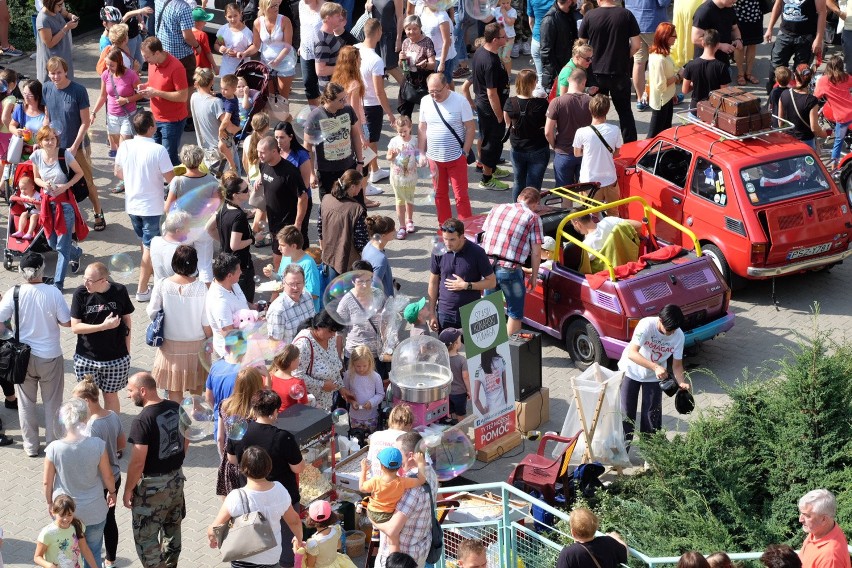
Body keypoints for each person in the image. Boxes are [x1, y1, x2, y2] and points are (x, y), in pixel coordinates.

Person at [226, 389, 306, 568]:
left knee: (256, 543)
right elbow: (298, 467)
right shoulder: (283, 437)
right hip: (281, 496)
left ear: (254, 409)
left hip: (250, 496)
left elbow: (232, 459)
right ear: (275, 411)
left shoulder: (239, 430)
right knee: (286, 544)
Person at [0, 253, 70, 457]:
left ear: (21, 272)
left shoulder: (14, 292)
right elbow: (66, 322)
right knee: (53, 402)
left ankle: (30, 445)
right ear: (42, 270)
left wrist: (9, 335)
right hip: (50, 356)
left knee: (26, 402)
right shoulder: (53, 292)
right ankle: (52, 445)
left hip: (22, 357)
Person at [124, 372, 189, 568]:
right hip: (176, 480)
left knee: (146, 538)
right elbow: (187, 436)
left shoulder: (142, 420)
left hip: (152, 488)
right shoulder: (176, 407)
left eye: (130, 390)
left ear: (142, 391)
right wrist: (177, 459)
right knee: (172, 529)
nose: (128, 395)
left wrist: (128, 490)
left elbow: (137, 463)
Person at [43, 398, 117, 567]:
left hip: (65, 512)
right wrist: (112, 492)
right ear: (85, 420)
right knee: (93, 551)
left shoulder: (54, 448)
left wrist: (49, 502)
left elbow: (47, 483)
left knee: (67, 552)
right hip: (94, 510)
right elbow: (108, 477)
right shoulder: (97, 444)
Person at [114, 110, 176, 302]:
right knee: (150, 247)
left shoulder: (125, 146)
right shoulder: (158, 150)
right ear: (151, 128)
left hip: (132, 205)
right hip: (152, 207)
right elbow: (171, 179)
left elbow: (117, 172)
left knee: (144, 243)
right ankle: (142, 291)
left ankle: (149, 275)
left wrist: (134, 181)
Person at [208, 447, 304, 568]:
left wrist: (212, 538)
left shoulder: (235, 496)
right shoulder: (279, 490)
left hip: (241, 558)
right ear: (269, 467)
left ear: (243, 469)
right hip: (271, 558)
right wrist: (299, 540)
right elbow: (294, 521)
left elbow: (214, 529)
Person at [43, 56, 105, 232]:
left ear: (66, 71)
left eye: (59, 73)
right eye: (52, 73)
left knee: (86, 180)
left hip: (77, 146)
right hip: (56, 147)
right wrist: (43, 138)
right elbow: (48, 116)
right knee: (60, 181)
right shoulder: (46, 88)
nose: (55, 77)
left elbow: (85, 122)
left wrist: (75, 146)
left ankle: (98, 213)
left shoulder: (78, 90)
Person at [71, 377, 126, 568]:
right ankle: (110, 560)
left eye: (77, 403)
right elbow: (122, 444)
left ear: (87, 401)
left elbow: (90, 458)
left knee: (98, 524)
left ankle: (93, 558)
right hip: (116, 475)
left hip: (102, 481)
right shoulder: (112, 415)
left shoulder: (92, 427)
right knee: (111, 520)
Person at [617, 304, 690, 445]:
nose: (671, 333)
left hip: (654, 377)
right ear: (660, 320)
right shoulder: (646, 324)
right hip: (631, 371)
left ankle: (650, 455)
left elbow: (677, 365)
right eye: (668, 330)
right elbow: (632, 353)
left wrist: (681, 382)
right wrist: (655, 366)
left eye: (674, 330)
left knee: (652, 415)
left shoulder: (679, 335)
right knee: (626, 414)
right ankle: (621, 453)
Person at [149, 245, 213, 402]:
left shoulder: (162, 284)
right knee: (197, 381)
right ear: (194, 263)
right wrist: (211, 339)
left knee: (174, 387)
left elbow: (152, 311)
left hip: (170, 343)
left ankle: (176, 420)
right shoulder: (201, 287)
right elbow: (206, 320)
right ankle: (196, 409)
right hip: (196, 343)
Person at [70, 262, 135, 415]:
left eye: (90, 280)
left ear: (104, 280)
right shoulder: (80, 293)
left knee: (111, 395)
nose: (85, 283)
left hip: (116, 358)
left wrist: (127, 350)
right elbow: (75, 327)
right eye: (84, 278)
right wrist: (103, 326)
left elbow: (127, 320)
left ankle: (112, 431)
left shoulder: (119, 290)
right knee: (88, 398)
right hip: (87, 358)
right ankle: (92, 432)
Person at [29, 125, 87, 291]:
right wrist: (44, 184)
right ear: (40, 141)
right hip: (47, 204)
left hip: (65, 205)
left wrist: (65, 186)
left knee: (61, 246)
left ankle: (58, 284)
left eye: (53, 139)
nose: (50, 142)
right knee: (52, 243)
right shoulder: (36, 156)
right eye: (46, 139)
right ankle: (76, 253)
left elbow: (80, 173)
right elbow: (36, 178)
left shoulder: (64, 154)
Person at [481, 187, 544, 334]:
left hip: (488, 266)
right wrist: (534, 276)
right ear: (535, 204)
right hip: (509, 269)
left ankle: (488, 350)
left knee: (489, 310)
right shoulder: (533, 217)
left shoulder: (497, 208)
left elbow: (484, 235)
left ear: (519, 198)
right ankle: (510, 352)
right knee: (514, 313)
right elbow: (536, 253)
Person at [579, 0, 641, 143]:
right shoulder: (626, 14)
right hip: (620, 72)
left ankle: (597, 143)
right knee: (625, 113)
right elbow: (636, 45)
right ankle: (631, 146)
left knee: (596, 112)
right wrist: (625, 57)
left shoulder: (590, 15)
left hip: (596, 73)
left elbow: (581, 45)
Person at [373, 431, 437, 567]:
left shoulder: (411, 488)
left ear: (409, 456)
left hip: (399, 559)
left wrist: (371, 516)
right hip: (419, 551)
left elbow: (392, 530)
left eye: (398, 453)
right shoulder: (430, 472)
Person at [418, 73, 475, 223]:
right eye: (431, 92)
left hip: (456, 157)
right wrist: (421, 153)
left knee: (461, 196)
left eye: (438, 91)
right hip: (434, 158)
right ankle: (444, 227)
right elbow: (422, 127)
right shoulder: (425, 101)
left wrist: (466, 151)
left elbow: (470, 128)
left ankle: (466, 228)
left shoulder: (460, 101)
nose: (434, 95)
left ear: (447, 86)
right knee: (439, 194)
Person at [462, 22, 511, 191]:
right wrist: (499, 115)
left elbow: (470, 83)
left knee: (488, 139)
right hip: (491, 109)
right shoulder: (489, 61)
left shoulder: (481, 52)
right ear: (496, 39)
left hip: (484, 105)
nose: (506, 38)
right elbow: (492, 93)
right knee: (492, 143)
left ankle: (492, 168)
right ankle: (487, 178)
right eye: (503, 36)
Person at [428, 217, 497, 331]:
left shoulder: (477, 253)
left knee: (475, 349)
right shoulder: (439, 250)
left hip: (471, 313)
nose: (447, 244)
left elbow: (492, 282)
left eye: (452, 240)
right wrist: (431, 313)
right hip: (445, 312)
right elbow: (433, 282)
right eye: (445, 239)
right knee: (447, 348)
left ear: (462, 236)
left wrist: (466, 285)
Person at [163, 145, 217, 283]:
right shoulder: (211, 180)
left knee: (185, 263)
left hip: (183, 228)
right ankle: (206, 295)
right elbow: (216, 205)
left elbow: (168, 207)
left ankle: (186, 290)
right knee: (205, 265)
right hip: (204, 227)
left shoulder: (178, 181)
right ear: (200, 160)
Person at [304, 82, 364, 201]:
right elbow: (307, 148)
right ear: (328, 100)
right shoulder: (315, 116)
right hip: (327, 171)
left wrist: (360, 162)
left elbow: (355, 135)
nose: (345, 102)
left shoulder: (348, 110)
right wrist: (311, 174)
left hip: (349, 167)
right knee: (331, 206)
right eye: (341, 100)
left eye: (345, 98)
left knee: (356, 205)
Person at [360, 447, 427, 553]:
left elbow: (362, 488)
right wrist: (420, 463)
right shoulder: (402, 482)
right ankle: (394, 557)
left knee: (385, 533)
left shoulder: (376, 481)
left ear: (381, 466)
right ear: (400, 466)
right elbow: (421, 480)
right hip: (388, 515)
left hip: (373, 512)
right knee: (393, 541)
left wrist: (363, 471)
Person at [258, 135, 311, 270]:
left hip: (287, 226)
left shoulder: (290, 172)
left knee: (285, 261)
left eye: (262, 152)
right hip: (273, 223)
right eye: (258, 152)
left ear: (274, 151)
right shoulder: (263, 164)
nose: (259, 155)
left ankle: (285, 288)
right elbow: (266, 177)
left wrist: (298, 224)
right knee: (279, 261)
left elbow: (303, 197)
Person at [138, 37, 190, 166]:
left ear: (157, 53)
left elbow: (183, 96)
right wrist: (144, 86)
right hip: (155, 118)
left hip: (172, 121)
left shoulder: (176, 67)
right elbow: (155, 83)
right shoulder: (153, 63)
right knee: (156, 155)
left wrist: (156, 93)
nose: (145, 60)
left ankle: (174, 184)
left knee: (168, 157)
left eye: (147, 56)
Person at [357, 19, 397, 187]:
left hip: (358, 103)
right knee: (370, 142)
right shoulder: (376, 60)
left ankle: (375, 170)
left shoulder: (355, 49)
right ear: (379, 32)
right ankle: (367, 181)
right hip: (371, 105)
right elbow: (379, 91)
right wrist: (389, 113)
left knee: (366, 140)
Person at [91, 47, 140, 174]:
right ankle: (124, 174)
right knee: (118, 149)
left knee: (124, 148)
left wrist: (127, 100)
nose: (108, 68)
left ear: (119, 62)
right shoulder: (106, 75)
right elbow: (103, 96)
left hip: (127, 116)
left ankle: (127, 176)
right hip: (111, 117)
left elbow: (141, 94)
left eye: (111, 65)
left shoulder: (131, 75)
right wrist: (93, 112)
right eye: (107, 64)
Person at [215, 367, 263, 495]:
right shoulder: (258, 412)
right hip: (254, 460)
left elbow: (220, 437)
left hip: (231, 458)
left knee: (232, 504)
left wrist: (223, 456)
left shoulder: (225, 405)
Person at [573, 94, 623, 216]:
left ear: (590, 110)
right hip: (610, 179)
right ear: (607, 110)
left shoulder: (581, 132)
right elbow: (616, 153)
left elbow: (576, 153)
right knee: (613, 213)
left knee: (591, 216)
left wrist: (590, 150)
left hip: (589, 182)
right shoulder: (615, 129)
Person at [154, 0, 200, 130]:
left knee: (169, 85)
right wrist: (197, 46)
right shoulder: (183, 8)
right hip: (182, 55)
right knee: (188, 87)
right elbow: (188, 37)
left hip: (164, 51)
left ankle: (168, 114)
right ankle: (187, 119)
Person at [210, 172, 257, 301]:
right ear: (236, 195)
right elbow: (235, 245)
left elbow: (208, 228)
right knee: (244, 303)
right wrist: (253, 239)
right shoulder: (238, 216)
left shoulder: (223, 208)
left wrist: (223, 239)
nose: (249, 191)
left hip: (225, 262)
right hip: (240, 267)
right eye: (245, 190)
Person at [504, 69, 550, 199]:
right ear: (533, 83)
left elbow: (508, 124)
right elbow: (548, 125)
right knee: (534, 186)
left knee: (518, 181)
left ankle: (517, 210)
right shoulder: (541, 104)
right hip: (538, 148)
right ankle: (532, 212)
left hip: (517, 148)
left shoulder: (510, 102)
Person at [318, 170, 369, 280]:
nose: (361, 188)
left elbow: (320, 226)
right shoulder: (356, 209)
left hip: (328, 256)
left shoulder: (326, 199)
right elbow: (361, 240)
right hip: (346, 261)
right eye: (360, 185)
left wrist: (322, 246)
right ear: (352, 187)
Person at [546, 67, 593, 187]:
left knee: (565, 193)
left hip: (563, 153)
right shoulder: (592, 101)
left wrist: (554, 145)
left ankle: (566, 207)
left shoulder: (557, 102)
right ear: (584, 82)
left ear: (568, 80)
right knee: (586, 192)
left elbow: (548, 131)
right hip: (585, 154)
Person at [293, 310, 347, 411]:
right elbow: (296, 375)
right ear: (318, 326)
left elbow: (334, 366)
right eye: (330, 331)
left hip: (326, 403)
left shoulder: (329, 339)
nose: (333, 335)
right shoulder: (303, 343)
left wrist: (341, 387)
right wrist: (322, 385)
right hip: (308, 406)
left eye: (335, 332)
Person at [763, 0, 826, 85]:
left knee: (801, 72)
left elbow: (822, 12)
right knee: (776, 67)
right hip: (785, 34)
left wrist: (818, 39)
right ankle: (774, 94)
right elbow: (777, 6)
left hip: (806, 36)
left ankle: (797, 96)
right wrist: (769, 28)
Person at [275, 120, 316, 246]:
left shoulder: (301, 155)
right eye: (276, 137)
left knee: (299, 234)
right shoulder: (276, 152)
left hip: (299, 201)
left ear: (291, 137)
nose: (278, 141)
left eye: (282, 137)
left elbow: (305, 185)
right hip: (283, 202)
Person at [627, 0, 672, 110]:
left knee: (638, 63)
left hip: (634, 21)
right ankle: (663, 97)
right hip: (653, 22)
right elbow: (663, 2)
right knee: (661, 59)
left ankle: (640, 99)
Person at [34, 495, 99, 568]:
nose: (66, 519)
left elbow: (85, 549)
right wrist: (50, 565)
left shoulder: (77, 525)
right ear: (53, 512)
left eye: (69, 515)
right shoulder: (47, 533)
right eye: (62, 515)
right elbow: (37, 557)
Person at [206, 252, 251, 357]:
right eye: (238, 270)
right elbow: (229, 335)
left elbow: (239, 301)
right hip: (232, 355)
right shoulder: (220, 302)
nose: (241, 272)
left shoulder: (232, 283)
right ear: (229, 275)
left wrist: (254, 307)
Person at [266, 224, 322, 309]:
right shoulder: (286, 257)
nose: (279, 248)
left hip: (305, 311)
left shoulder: (308, 264)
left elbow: (313, 294)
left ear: (293, 246)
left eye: (282, 245)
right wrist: (271, 274)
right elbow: (280, 280)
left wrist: (286, 290)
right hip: (288, 307)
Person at [247, 0, 295, 97]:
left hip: (285, 62)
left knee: (283, 98)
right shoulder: (257, 22)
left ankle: (283, 112)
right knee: (270, 97)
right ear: (264, 8)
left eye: (276, 5)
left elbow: (288, 46)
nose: (276, 8)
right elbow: (256, 46)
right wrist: (244, 53)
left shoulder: (285, 21)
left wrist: (277, 60)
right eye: (272, 6)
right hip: (267, 64)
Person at [814, 55, 852, 170]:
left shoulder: (824, 81)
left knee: (838, 142)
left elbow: (815, 97)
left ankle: (834, 166)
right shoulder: (846, 77)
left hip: (842, 117)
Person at [556, 507, 627, 568]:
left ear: (573, 532)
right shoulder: (608, 542)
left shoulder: (568, 554)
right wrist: (615, 537)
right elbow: (625, 553)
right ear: (596, 528)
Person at [778, 64, 827, 150]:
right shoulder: (811, 100)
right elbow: (814, 128)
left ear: (795, 77)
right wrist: (824, 133)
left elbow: (780, 122)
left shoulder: (784, 94)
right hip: (806, 141)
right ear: (810, 78)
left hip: (789, 140)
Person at [294, 500, 357, 568]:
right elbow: (338, 546)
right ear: (331, 516)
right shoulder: (336, 529)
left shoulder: (313, 543)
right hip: (336, 564)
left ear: (310, 520)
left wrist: (298, 548)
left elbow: (310, 565)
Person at [798, 489, 851, 568]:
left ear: (824, 519)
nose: (800, 520)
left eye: (807, 516)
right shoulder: (819, 531)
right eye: (801, 513)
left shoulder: (830, 559)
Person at [386, 115, 419, 237]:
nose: (402, 134)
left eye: (405, 131)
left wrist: (421, 161)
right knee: (399, 200)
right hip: (397, 177)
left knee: (409, 198)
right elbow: (388, 157)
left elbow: (417, 156)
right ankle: (401, 226)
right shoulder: (394, 141)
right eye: (400, 132)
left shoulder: (415, 141)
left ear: (410, 128)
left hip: (410, 177)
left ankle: (409, 220)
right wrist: (393, 156)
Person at [647, 22, 681, 138]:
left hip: (667, 99)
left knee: (665, 132)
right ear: (666, 37)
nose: (676, 38)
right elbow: (661, 85)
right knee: (653, 136)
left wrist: (673, 93)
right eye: (674, 36)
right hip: (661, 102)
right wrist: (678, 77)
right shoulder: (659, 59)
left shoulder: (663, 54)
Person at [398, 15, 436, 118]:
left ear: (420, 28)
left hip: (423, 80)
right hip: (409, 79)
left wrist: (425, 65)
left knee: (428, 113)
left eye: (415, 29)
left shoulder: (427, 42)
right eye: (408, 29)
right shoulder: (406, 42)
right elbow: (402, 66)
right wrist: (401, 59)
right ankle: (406, 133)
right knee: (404, 113)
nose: (411, 32)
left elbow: (433, 65)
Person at [267, 264, 317, 343]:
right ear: (283, 283)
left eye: (298, 283)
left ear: (304, 283)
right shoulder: (278, 310)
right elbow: (275, 344)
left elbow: (313, 324)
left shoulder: (307, 296)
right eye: (291, 284)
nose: (295, 287)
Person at [681, 29, 730, 106]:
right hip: (713, 108)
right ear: (717, 45)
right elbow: (724, 93)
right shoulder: (722, 67)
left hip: (695, 107)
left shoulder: (690, 65)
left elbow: (684, 90)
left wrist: (695, 84)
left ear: (703, 43)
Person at [539, 0, 580, 93]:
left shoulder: (570, 14)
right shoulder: (550, 19)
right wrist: (560, 73)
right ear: (569, 1)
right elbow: (546, 52)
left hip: (569, 71)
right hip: (556, 77)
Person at [190, 67, 226, 171]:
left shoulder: (194, 97)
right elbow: (226, 125)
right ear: (212, 82)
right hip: (219, 150)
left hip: (204, 149)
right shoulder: (216, 102)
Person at [366, 0, 406, 87]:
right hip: (374, 35)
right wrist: (368, 6)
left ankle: (409, 91)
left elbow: (400, 17)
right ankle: (379, 95)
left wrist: (398, 39)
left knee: (390, 67)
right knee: (376, 68)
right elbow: (367, 4)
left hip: (389, 35)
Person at [344, 345, 385, 431]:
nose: (361, 369)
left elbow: (380, 394)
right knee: (355, 439)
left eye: (364, 366)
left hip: (371, 416)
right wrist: (352, 401)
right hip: (355, 416)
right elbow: (344, 392)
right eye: (358, 366)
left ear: (370, 363)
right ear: (353, 363)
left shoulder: (375, 376)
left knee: (370, 439)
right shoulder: (348, 375)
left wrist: (371, 402)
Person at [36, 0, 77, 84]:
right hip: (53, 63)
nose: (62, 7)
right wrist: (66, 28)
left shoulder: (56, 10)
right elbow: (49, 43)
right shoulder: (43, 19)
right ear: (51, 3)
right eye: (60, 5)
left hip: (64, 58)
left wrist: (72, 16)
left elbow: (65, 13)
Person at [9, 79, 49, 163]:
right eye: (24, 93)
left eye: (29, 95)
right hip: (24, 153)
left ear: (37, 95)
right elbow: (11, 126)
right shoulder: (20, 109)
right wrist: (17, 131)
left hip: (41, 154)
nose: (26, 97)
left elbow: (50, 134)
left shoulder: (46, 111)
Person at [691, 0, 741, 67]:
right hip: (705, 65)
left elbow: (734, 28)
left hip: (723, 62)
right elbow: (695, 39)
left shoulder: (729, 8)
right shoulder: (704, 11)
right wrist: (720, 46)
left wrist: (738, 39)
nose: (735, 1)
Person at [420, 0, 456, 82]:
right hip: (430, 56)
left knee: (445, 85)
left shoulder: (442, 16)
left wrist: (442, 63)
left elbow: (446, 41)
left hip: (441, 57)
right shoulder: (423, 11)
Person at [362, 215, 397, 296]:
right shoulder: (381, 259)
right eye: (393, 229)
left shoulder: (369, 245)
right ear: (383, 236)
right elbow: (374, 288)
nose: (395, 230)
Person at [215, 2, 253, 77]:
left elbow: (254, 50)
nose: (233, 19)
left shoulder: (247, 32)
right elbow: (217, 44)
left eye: (235, 15)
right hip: (226, 69)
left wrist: (241, 53)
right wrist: (220, 48)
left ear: (240, 14)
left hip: (241, 69)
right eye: (230, 16)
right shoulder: (223, 29)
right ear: (225, 17)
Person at [315, 2, 346, 89]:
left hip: (335, 85)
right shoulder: (323, 41)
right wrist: (345, 67)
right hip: (330, 89)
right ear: (328, 18)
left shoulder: (330, 35)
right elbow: (320, 70)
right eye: (337, 16)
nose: (341, 18)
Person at [299, 0, 325, 107]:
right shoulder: (301, 4)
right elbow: (302, 26)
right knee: (308, 84)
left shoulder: (325, 6)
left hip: (324, 52)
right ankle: (315, 117)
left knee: (326, 86)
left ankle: (328, 115)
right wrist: (301, 44)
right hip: (306, 51)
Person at [441, 327, 470, 421]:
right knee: (460, 414)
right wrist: (469, 390)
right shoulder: (462, 360)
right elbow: (465, 376)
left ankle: (453, 429)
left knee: (451, 412)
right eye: (460, 340)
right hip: (460, 393)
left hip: (447, 392)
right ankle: (460, 430)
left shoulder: (441, 359)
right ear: (456, 344)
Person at [732, 0, 762, 85]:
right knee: (739, 45)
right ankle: (740, 74)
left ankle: (749, 73)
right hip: (739, 16)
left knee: (752, 44)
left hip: (756, 15)